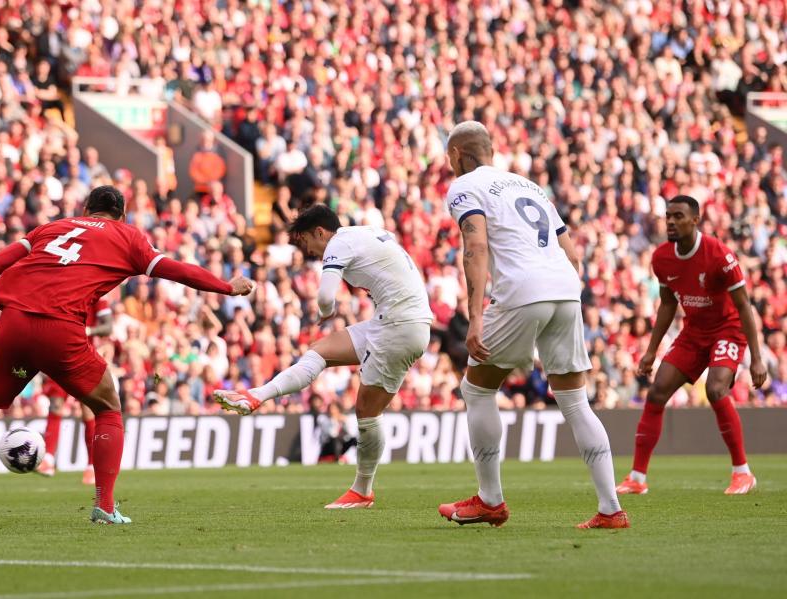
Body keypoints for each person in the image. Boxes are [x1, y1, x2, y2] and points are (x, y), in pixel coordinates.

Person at [0, 185, 254, 525]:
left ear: (84, 210)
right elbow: (176, 270)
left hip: (13, 325)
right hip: (60, 330)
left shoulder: (49, 229)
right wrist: (225, 287)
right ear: (122, 215)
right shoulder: (128, 238)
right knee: (108, 406)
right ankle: (105, 506)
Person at [437, 121, 628, 530]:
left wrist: (475, 317)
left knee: (477, 388)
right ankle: (611, 508)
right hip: (565, 288)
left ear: (456, 155)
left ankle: (490, 500)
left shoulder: (464, 186)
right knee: (576, 402)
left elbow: (475, 247)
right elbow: (571, 252)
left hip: (524, 289)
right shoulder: (528, 186)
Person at [213, 204, 433, 509]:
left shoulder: (338, 243)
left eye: (306, 244)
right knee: (319, 352)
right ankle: (256, 395)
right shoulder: (366, 232)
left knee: (367, 412)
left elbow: (327, 296)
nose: (310, 253)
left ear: (319, 232)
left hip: (399, 326)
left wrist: (324, 313)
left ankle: (362, 490)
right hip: (395, 321)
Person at [616, 196, 767, 496]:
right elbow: (668, 305)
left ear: (695, 220)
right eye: (668, 216)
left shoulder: (720, 256)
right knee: (657, 391)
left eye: (678, 216)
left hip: (727, 329)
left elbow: (745, 306)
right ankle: (637, 478)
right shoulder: (661, 258)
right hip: (694, 332)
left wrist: (757, 358)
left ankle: (743, 473)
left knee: (715, 389)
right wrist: (651, 350)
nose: (671, 221)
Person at [36, 296, 113, 484]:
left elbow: (108, 327)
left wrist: (88, 330)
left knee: (88, 410)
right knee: (55, 405)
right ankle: (48, 460)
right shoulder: (63, 291)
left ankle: (91, 466)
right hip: (61, 354)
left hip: (86, 356)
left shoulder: (98, 295)